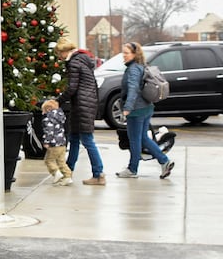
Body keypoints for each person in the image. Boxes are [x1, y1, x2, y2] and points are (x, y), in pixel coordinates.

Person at [116, 41, 175, 179]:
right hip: (146, 107)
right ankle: (165, 161)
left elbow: (133, 89)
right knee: (142, 138)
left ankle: (132, 169)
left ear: (134, 54)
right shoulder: (141, 66)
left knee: (135, 140)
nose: (123, 55)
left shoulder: (133, 69)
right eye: (123, 52)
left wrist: (127, 108)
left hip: (136, 110)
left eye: (126, 53)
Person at [55, 39, 106, 185]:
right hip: (86, 103)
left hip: (81, 105)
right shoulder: (83, 60)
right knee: (74, 138)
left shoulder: (74, 63)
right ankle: (68, 171)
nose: (59, 57)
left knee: (87, 140)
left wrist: (58, 101)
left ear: (64, 51)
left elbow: (72, 88)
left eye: (59, 53)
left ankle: (99, 174)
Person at [41, 99, 72, 186]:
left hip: (54, 144)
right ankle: (67, 176)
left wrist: (46, 141)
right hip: (62, 143)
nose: (43, 112)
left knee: (49, 160)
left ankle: (56, 173)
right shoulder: (60, 117)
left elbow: (49, 131)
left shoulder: (49, 119)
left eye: (43, 110)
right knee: (61, 161)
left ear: (48, 109)